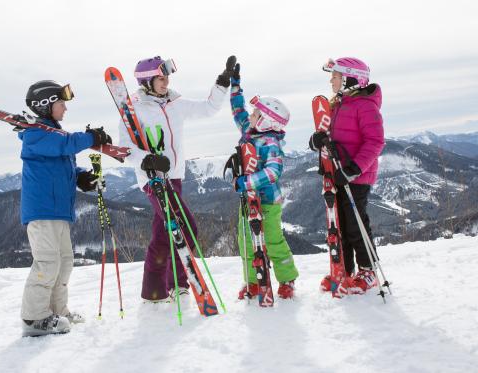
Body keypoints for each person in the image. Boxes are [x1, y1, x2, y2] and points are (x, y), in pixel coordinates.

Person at [118, 56, 233, 302]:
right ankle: (180, 282)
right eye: (161, 78)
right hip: (152, 178)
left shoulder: (175, 102)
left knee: (162, 235)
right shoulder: (133, 107)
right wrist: (146, 159)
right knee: (184, 226)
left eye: (167, 77)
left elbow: (208, 108)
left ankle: (155, 291)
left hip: (175, 176)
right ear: (147, 80)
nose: (166, 81)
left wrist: (222, 84)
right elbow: (125, 148)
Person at [19, 80, 112, 336]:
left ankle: (57, 311)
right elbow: (65, 145)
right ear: (45, 106)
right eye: (61, 103)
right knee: (47, 263)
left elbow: (64, 162)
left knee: (64, 263)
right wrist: (91, 137)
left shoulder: (52, 134)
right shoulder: (35, 134)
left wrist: (83, 178)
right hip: (42, 210)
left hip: (59, 211)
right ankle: (33, 318)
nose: (65, 109)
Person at [309, 57, 385, 294]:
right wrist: (316, 141)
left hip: (356, 176)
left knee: (355, 224)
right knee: (338, 224)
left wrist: (354, 169)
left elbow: (375, 141)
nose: (331, 80)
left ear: (350, 78)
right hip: (336, 173)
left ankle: (368, 270)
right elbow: (327, 137)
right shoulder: (336, 104)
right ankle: (345, 270)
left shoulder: (365, 106)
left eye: (335, 76)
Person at [228, 63, 299, 300]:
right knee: (246, 241)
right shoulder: (250, 132)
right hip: (247, 202)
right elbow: (238, 112)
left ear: (267, 121)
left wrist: (247, 182)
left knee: (273, 240)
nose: (251, 116)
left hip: (267, 201)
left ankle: (287, 278)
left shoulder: (270, 143)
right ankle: (253, 281)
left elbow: (273, 172)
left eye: (256, 114)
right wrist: (235, 85)